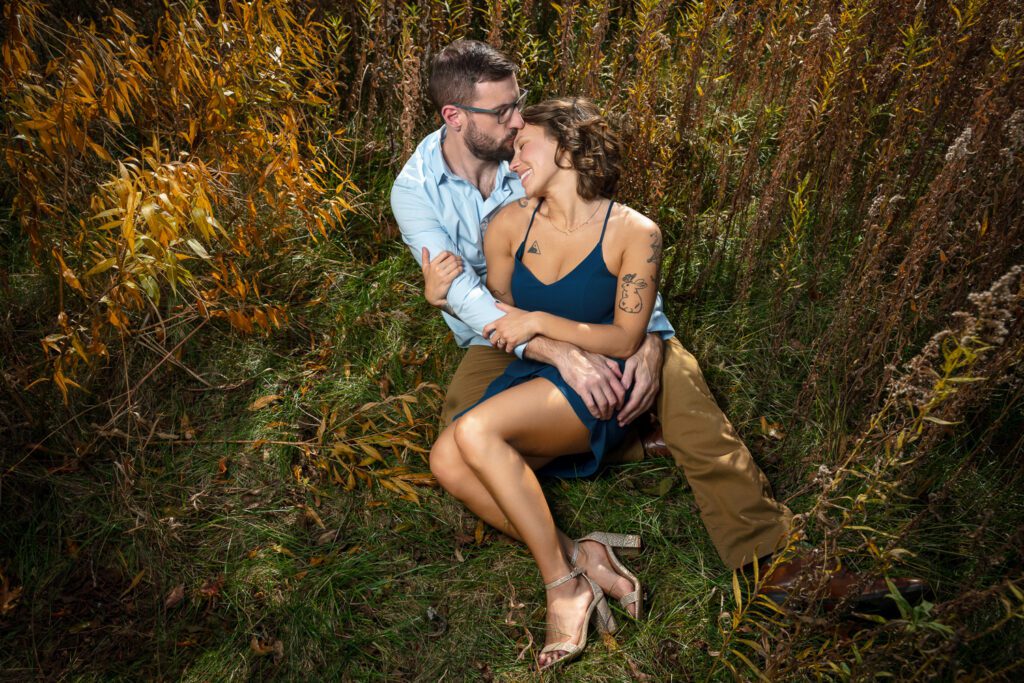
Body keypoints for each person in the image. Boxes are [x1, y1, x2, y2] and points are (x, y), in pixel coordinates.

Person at [389, 39, 927, 663]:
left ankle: (775, 565)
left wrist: (647, 337)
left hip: (597, 320)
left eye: (520, 109)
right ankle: (586, 528)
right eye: (503, 112)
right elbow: (472, 297)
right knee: (458, 448)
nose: (516, 122)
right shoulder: (419, 189)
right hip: (499, 335)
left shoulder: (534, 156)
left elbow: (604, 240)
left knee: (685, 393)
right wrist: (548, 347)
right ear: (456, 117)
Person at [429, 96, 656, 668]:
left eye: (522, 146)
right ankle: (583, 551)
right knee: (445, 460)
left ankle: (564, 584)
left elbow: (627, 338)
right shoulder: (507, 225)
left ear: (566, 143)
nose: (512, 163)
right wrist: (442, 297)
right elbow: (499, 312)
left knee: (474, 433)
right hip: (536, 372)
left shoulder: (636, 232)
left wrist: (541, 323)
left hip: (597, 383)